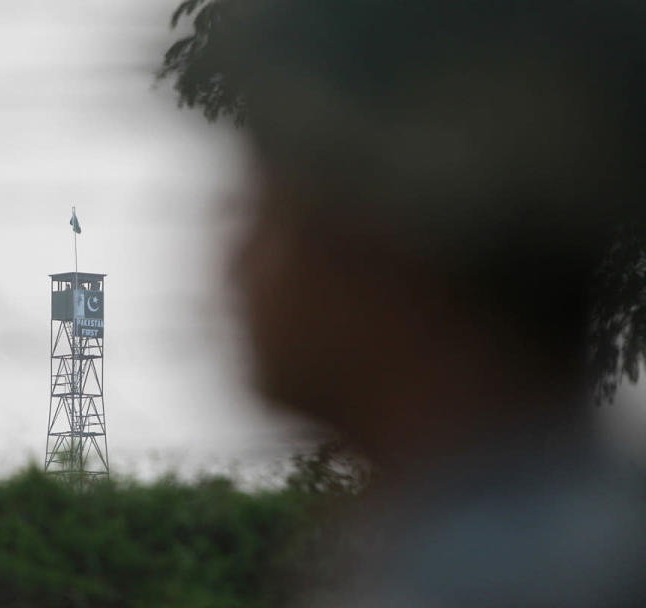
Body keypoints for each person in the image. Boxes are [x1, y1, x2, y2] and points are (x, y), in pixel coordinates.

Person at [163, 0, 646, 604]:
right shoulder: (588, 539)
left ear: (386, 244)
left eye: (271, 204)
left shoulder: (489, 582)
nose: (236, 258)